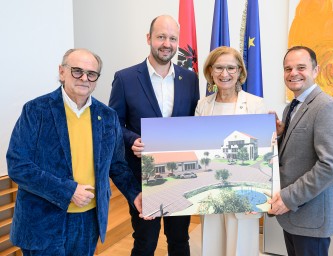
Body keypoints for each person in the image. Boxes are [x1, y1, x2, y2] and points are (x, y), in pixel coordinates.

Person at [6, 48, 144, 256]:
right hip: (43, 221)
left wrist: (135, 194)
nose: (84, 78)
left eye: (91, 74)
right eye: (77, 71)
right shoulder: (35, 110)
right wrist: (68, 190)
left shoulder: (107, 117)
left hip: (88, 223)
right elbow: (18, 165)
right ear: (62, 72)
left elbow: (118, 166)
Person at [109, 15, 199, 256]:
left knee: (180, 239)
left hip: (181, 175)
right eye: (161, 37)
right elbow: (113, 124)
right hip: (143, 175)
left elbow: (195, 122)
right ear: (149, 38)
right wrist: (131, 140)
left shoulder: (190, 79)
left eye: (172, 38)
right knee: (145, 241)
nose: (166, 43)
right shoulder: (125, 78)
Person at [268, 46, 333, 256]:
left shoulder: (326, 106)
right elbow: (294, 155)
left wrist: (288, 198)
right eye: (288, 68)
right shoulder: (291, 107)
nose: (293, 73)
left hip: (310, 216)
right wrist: (279, 136)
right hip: (294, 218)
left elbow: (332, 165)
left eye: (301, 67)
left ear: (316, 70)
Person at [195, 46, 266, 256]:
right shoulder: (202, 105)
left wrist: (260, 195)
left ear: (240, 72)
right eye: (218, 68)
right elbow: (197, 148)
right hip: (211, 189)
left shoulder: (255, 104)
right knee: (211, 244)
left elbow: (262, 156)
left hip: (244, 191)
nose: (224, 74)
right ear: (210, 71)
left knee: (241, 247)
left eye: (231, 68)